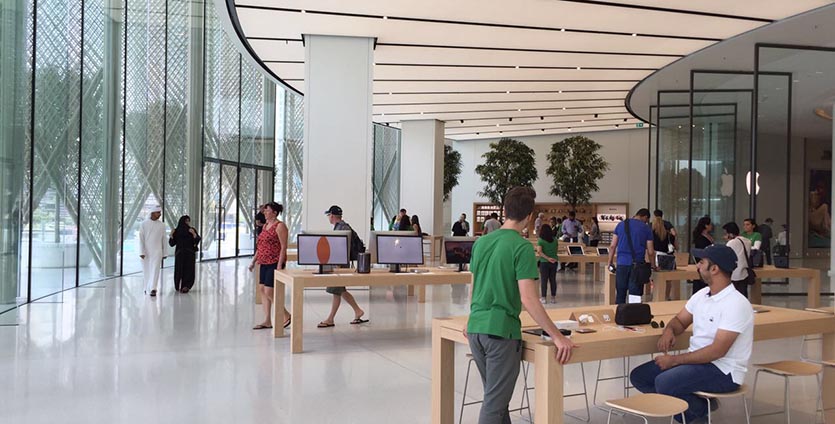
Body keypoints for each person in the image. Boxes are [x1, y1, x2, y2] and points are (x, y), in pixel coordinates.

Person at [466, 187, 576, 423]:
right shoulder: (522, 247)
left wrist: (471, 318)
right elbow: (529, 299)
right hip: (500, 333)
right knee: (494, 406)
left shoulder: (481, 243)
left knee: (497, 401)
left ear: (505, 211)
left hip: (476, 329)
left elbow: (474, 288)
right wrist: (557, 336)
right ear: (529, 217)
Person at [630, 244, 753, 424]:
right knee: (640, 377)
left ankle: (697, 414)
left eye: (701, 262)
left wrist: (674, 360)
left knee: (664, 382)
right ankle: (698, 408)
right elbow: (680, 321)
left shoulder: (736, 304)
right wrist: (669, 331)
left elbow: (717, 351)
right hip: (697, 362)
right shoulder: (702, 295)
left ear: (714, 269)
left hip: (723, 370)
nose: (697, 266)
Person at [318, 205, 368, 328]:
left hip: (339, 265)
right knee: (340, 290)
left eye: (328, 215)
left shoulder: (341, 228)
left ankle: (330, 319)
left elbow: (341, 249)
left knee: (336, 291)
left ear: (332, 216)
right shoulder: (342, 227)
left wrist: (337, 266)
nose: (328, 218)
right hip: (339, 264)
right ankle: (358, 311)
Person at [248, 202, 291, 330]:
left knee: (269, 291)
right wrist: (253, 261)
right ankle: (267, 320)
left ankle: (286, 314)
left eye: (267, 211)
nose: (265, 213)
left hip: (274, 261)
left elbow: (283, 247)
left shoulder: (280, 226)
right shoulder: (265, 226)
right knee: (262, 289)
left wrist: (279, 265)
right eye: (265, 211)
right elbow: (260, 246)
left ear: (274, 213)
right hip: (264, 261)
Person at [607, 208, 655, 304]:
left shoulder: (621, 225)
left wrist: (610, 262)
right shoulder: (646, 229)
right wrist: (653, 265)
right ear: (645, 217)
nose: (646, 222)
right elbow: (650, 251)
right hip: (637, 266)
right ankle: (634, 313)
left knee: (620, 294)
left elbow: (612, 246)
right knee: (635, 296)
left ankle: (619, 312)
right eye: (646, 220)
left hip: (622, 264)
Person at [139, 205, 167, 297]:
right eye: (158, 212)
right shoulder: (143, 224)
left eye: (160, 213)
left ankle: (153, 288)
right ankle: (146, 287)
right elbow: (141, 239)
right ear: (152, 213)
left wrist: (165, 253)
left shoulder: (162, 225)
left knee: (155, 269)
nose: (160, 214)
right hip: (146, 252)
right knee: (146, 270)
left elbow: (164, 239)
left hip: (157, 251)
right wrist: (141, 252)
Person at [168, 215, 201, 293]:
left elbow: (197, 240)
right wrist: (171, 235)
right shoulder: (176, 231)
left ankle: (185, 286)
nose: (187, 223)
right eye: (186, 221)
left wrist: (194, 234)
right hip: (182, 253)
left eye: (188, 221)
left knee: (188, 269)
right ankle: (179, 286)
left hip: (188, 253)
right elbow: (172, 243)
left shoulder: (191, 230)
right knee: (180, 269)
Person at [723, 222, 753, 298]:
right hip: (744, 272)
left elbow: (726, 257)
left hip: (733, 274)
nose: (724, 236)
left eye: (726, 234)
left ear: (730, 234)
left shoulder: (731, 243)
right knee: (743, 296)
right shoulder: (748, 241)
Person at [535, 224, 559, 304]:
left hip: (544, 262)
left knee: (544, 280)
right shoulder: (555, 240)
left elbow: (539, 252)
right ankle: (553, 298)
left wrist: (548, 258)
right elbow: (556, 250)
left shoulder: (541, 240)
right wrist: (551, 258)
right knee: (553, 280)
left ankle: (543, 298)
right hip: (554, 261)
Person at [691, 216, 714, 294]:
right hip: (703, 261)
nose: (711, 226)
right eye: (710, 224)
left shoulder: (709, 236)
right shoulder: (701, 238)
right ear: (706, 225)